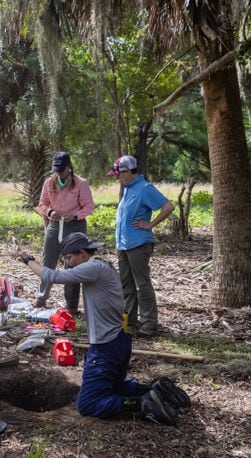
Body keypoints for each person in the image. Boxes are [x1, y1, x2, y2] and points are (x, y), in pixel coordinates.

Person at [16, 233, 190, 425]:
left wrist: (28, 259)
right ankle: (154, 389)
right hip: (119, 341)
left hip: (107, 345)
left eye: (68, 258)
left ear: (82, 253)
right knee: (112, 387)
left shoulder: (93, 267)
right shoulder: (102, 265)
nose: (67, 263)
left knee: (88, 404)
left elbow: (52, 276)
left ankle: (142, 402)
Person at [109, 155, 175, 338]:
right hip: (123, 244)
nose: (117, 178)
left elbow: (168, 207)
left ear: (128, 172)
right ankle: (129, 321)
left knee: (142, 284)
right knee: (126, 284)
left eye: (119, 174)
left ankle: (149, 324)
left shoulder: (145, 189)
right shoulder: (128, 189)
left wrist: (150, 224)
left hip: (138, 244)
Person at [34, 151, 95, 313]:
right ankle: (41, 298)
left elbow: (89, 207)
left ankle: (72, 305)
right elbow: (42, 204)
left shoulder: (80, 183)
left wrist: (75, 215)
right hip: (55, 225)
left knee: (72, 266)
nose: (58, 173)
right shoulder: (49, 183)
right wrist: (49, 212)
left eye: (61, 169)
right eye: (56, 169)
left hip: (75, 226)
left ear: (69, 167)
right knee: (48, 261)